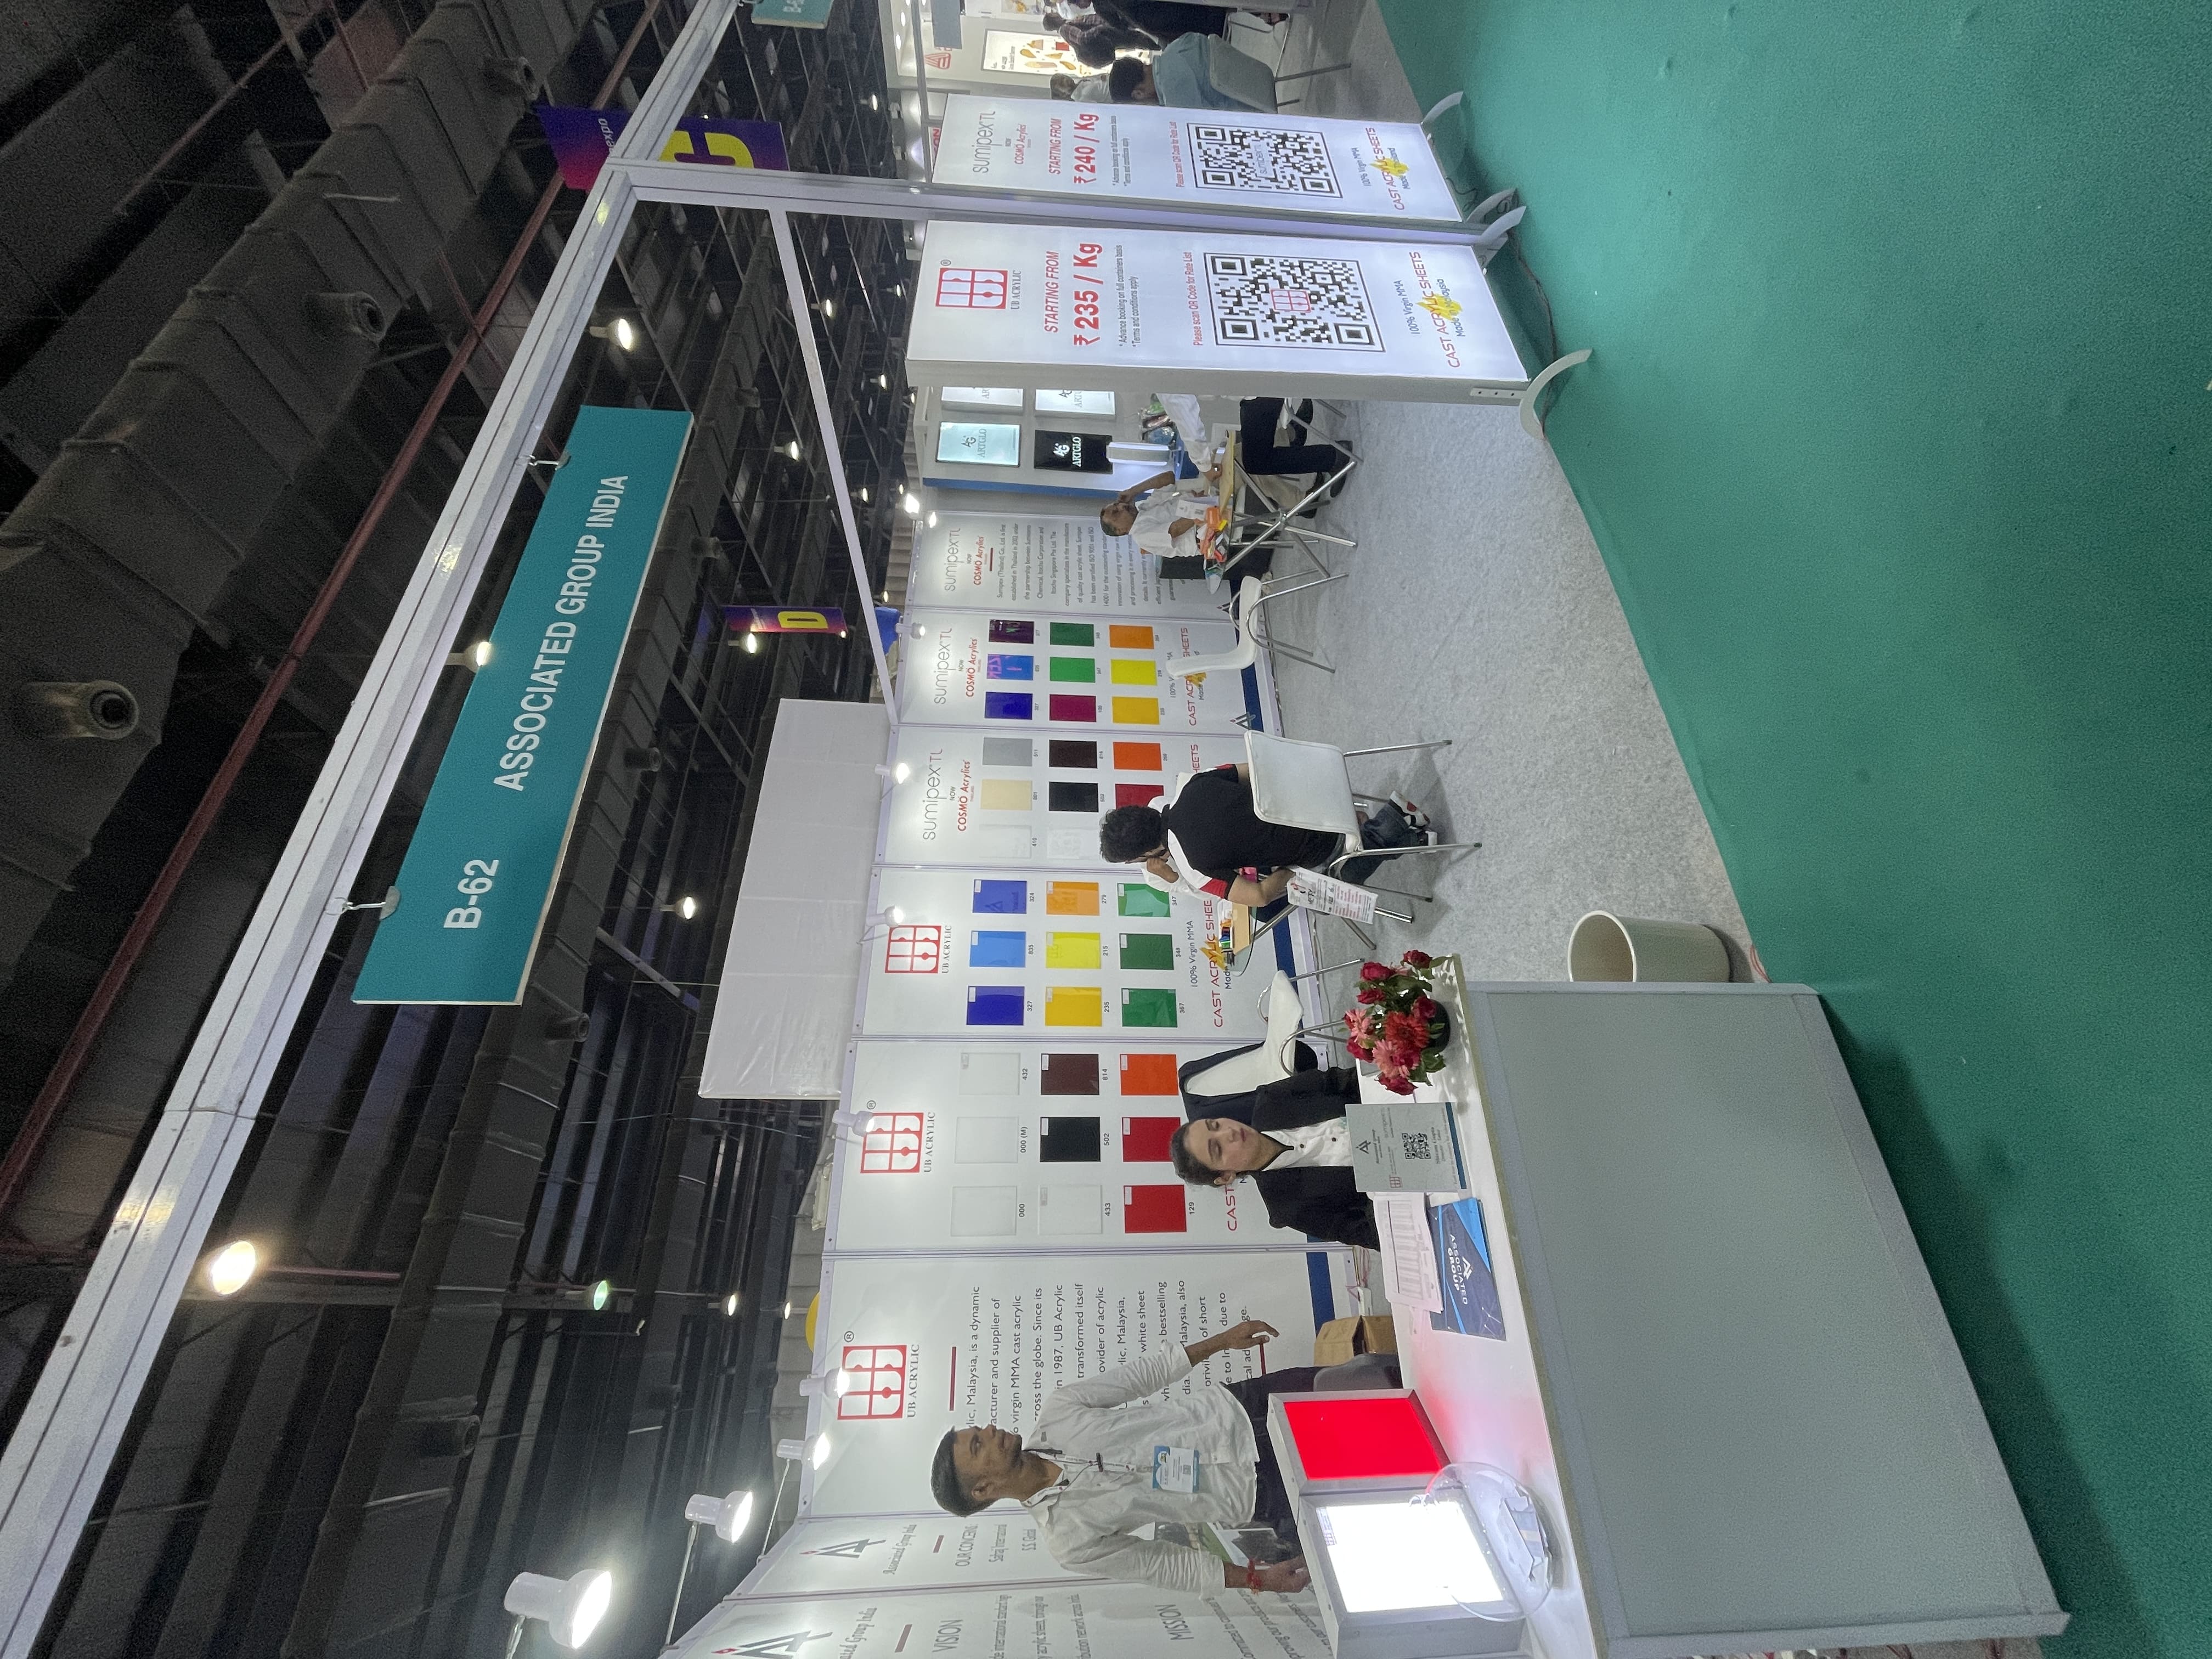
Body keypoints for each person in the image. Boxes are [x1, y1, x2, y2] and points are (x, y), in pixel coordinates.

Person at [928, 1318, 1316, 1592]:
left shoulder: (1059, 1411)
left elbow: (1141, 1376)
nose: (989, 1430)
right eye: (978, 1445)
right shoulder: (1069, 1541)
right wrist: (1258, 1579)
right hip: (1258, 1491)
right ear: (982, 1489)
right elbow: (1163, 1565)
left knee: (1352, 1381)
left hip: (1244, 1408)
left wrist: (1222, 1341)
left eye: (978, 1430)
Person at [1098, 763, 1431, 905]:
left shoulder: (1193, 867)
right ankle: (1411, 837)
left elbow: (1259, 897)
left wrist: (1290, 870)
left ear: (1143, 854)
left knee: (1332, 892)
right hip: (1318, 793)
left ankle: (1394, 819)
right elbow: (1257, 770)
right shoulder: (1194, 783)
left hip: (1323, 845)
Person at [1171, 1067, 1379, 1250]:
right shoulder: (1286, 1207)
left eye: (1215, 1124)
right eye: (1217, 1148)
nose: (1229, 1133)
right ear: (1226, 1176)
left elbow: (1346, 1080)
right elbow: (1370, 1233)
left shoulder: (1272, 1099)